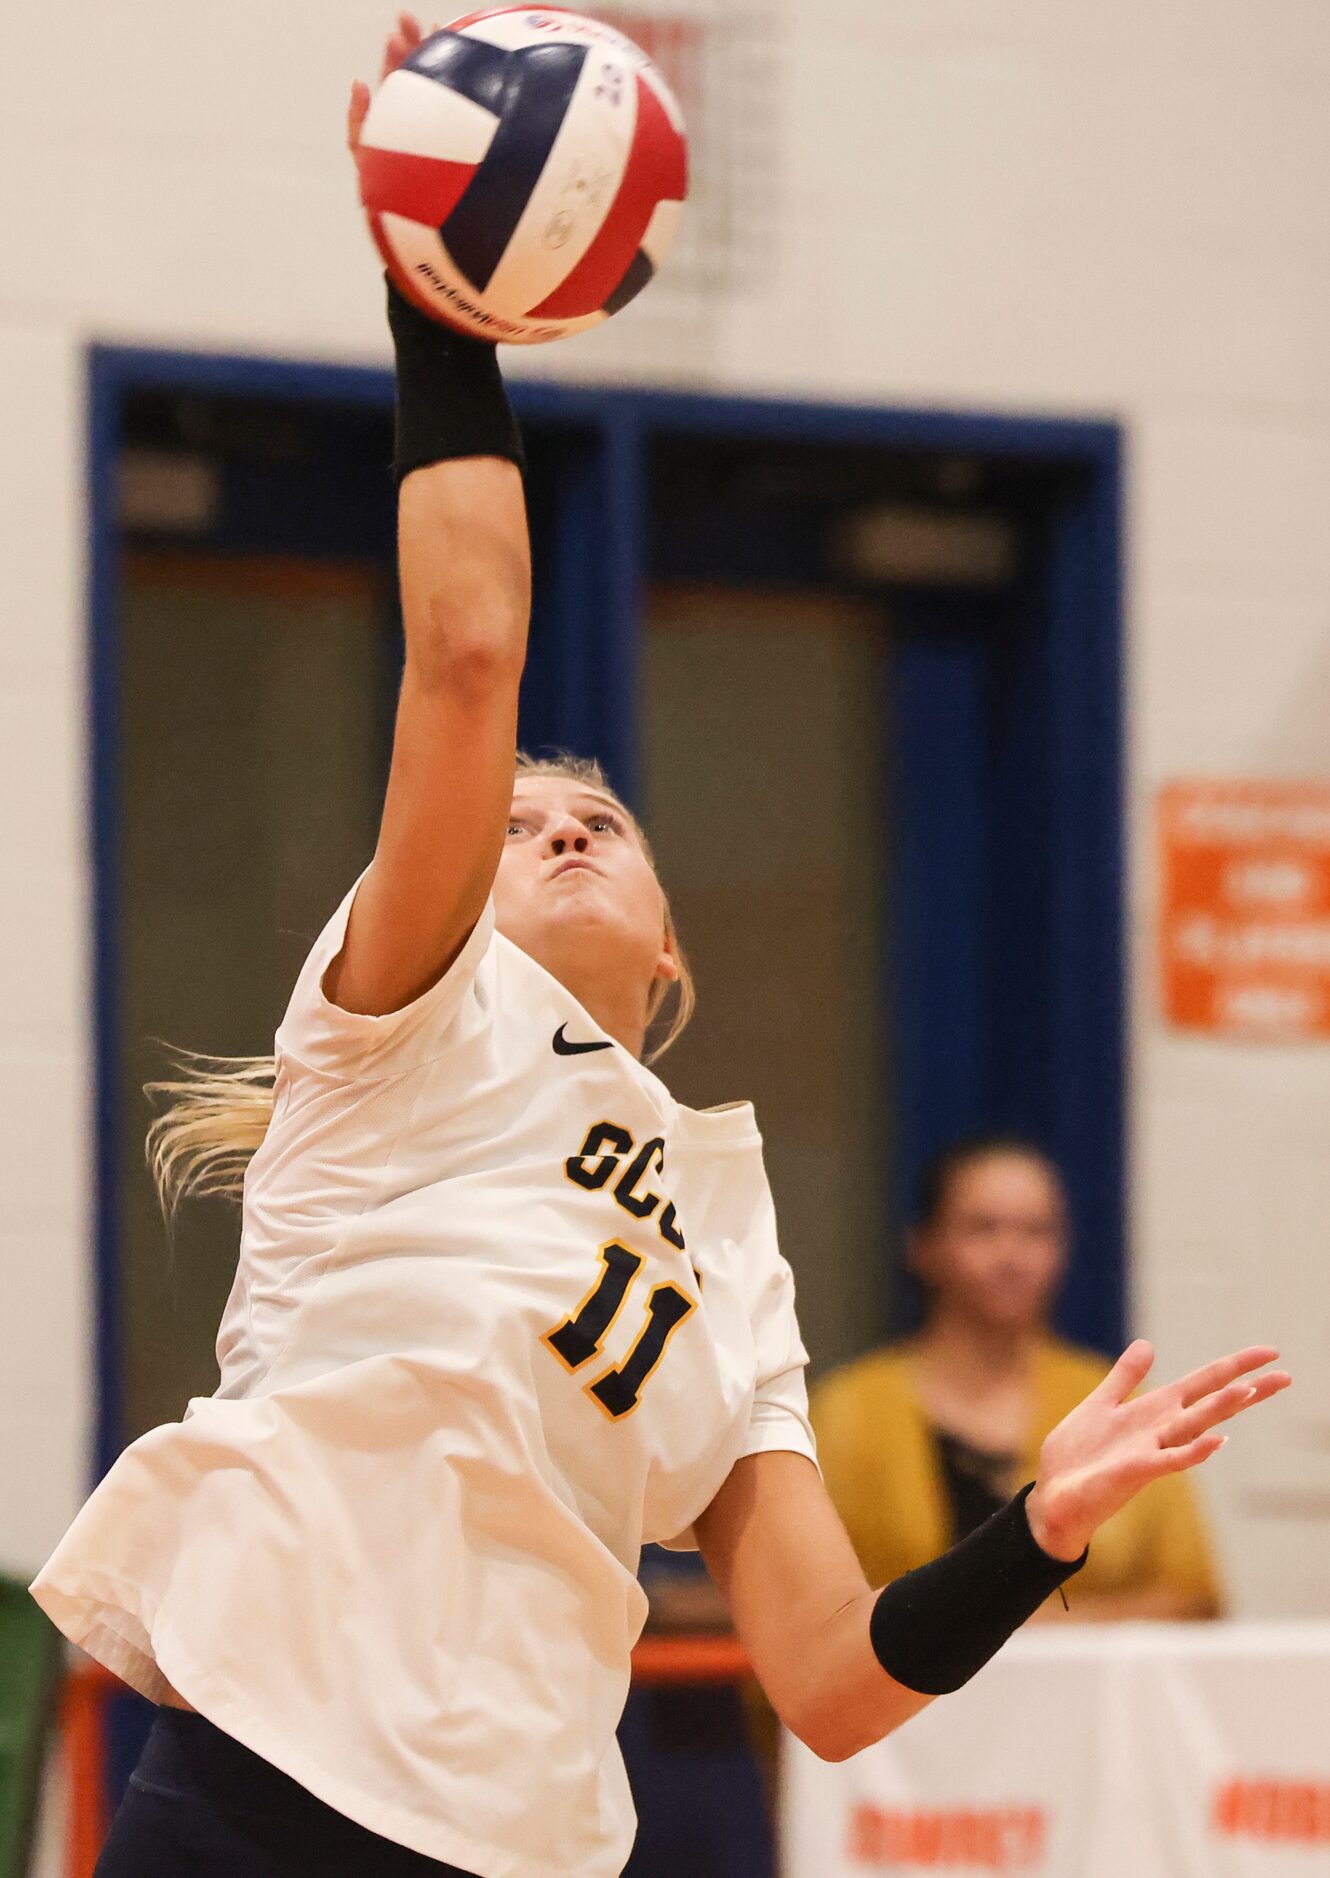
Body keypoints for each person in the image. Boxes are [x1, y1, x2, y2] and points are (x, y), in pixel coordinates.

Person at [31, 17, 1288, 1877]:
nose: (550, 819)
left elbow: (836, 1679)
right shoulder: (406, 1022)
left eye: (593, 817)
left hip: (525, 1843)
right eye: (520, 815)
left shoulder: (726, 1228)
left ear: (670, 937)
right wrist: (434, 294)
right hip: (263, 1804)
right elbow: (466, 651)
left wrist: (1044, 1523)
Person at [813, 1135, 1223, 1620]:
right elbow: (803, 1605)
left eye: (1036, 1231)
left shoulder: (1110, 1400)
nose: (1011, 1256)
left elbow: (1195, 1598)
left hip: (1088, 1692)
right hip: (907, 1694)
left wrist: (1041, 1633)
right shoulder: (849, 1408)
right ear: (923, 1245)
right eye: (983, 1228)